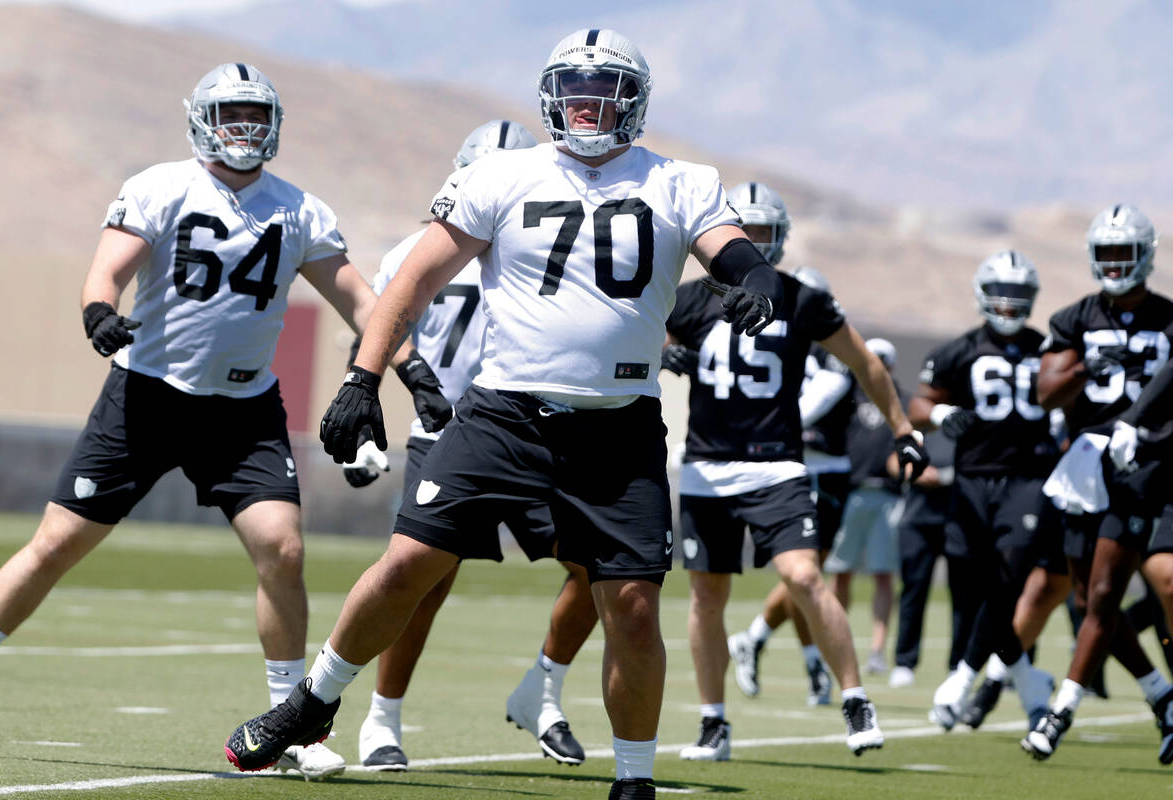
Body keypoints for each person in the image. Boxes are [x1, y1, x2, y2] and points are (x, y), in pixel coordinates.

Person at [225, 29, 795, 800]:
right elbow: (413, 280)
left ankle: (634, 781)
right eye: (574, 92)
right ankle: (310, 703)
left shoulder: (681, 181)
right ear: (551, 98)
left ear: (632, 102)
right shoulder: (502, 175)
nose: (587, 109)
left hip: (618, 426)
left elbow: (727, 247)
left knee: (630, 605)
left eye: (603, 94)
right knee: (406, 566)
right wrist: (363, 381)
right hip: (503, 415)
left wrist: (755, 272)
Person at [0, 63, 375, 781]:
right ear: (201, 121)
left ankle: (290, 728)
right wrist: (99, 311)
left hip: (245, 412)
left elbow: (363, 303)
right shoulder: (160, 185)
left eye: (256, 114)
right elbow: (109, 270)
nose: (244, 127)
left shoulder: (300, 208)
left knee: (282, 550)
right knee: (56, 544)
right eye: (231, 114)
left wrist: (392, 372)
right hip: (147, 397)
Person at [343, 120, 597, 770]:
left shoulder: (552, 253)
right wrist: (373, 417)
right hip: (447, 435)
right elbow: (375, 333)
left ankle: (541, 691)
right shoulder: (418, 251)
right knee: (423, 581)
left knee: (601, 567)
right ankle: (381, 720)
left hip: (533, 434)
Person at [665, 187, 929, 761]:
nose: (754, 245)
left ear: (781, 239)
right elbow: (636, 342)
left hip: (777, 464)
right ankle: (714, 722)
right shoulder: (686, 300)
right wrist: (662, 353)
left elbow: (866, 362)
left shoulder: (800, 299)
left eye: (764, 234)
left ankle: (855, 698)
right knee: (706, 596)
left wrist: (904, 430)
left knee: (805, 577)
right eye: (745, 234)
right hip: (706, 466)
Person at [1023, 205, 1173, 762]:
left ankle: (1058, 714)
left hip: (1144, 467)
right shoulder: (1073, 318)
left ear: (1145, 255)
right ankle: (1163, 697)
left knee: (1106, 593)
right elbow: (1046, 394)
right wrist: (1085, 367)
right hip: (1087, 468)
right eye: (1104, 253)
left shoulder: (1168, 318)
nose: (1113, 264)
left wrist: (1150, 436)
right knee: (1089, 602)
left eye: (1122, 253)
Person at [908, 250, 1059, 731]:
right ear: (982, 295)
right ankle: (1031, 682)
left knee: (1008, 580)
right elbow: (917, 404)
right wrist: (937, 416)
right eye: (1001, 293)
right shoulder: (959, 350)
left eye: (1018, 295)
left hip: (1028, 478)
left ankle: (962, 677)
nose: (1009, 305)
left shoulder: (1050, 348)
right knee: (977, 588)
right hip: (973, 481)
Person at [726, 263, 857, 707]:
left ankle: (761, 641)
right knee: (806, 575)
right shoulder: (778, 342)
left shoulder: (830, 351)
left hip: (828, 468)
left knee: (809, 577)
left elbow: (824, 396)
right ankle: (807, 661)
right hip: (794, 468)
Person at [822, 338, 904, 675]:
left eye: (883, 360)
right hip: (850, 492)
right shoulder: (846, 393)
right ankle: (835, 643)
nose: (877, 365)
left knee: (883, 575)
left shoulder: (898, 397)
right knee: (840, 573)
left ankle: (876, 650)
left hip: (886, 495)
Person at [886, 429, 977, 690]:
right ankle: (905, 662)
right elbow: (893, 461)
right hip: (918, 519)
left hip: (957, 520)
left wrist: (948, 477)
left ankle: (957, 665)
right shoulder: (921, 427)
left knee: (963, 596)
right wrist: (918, 473)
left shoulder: (966, 428)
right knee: (913, 590)